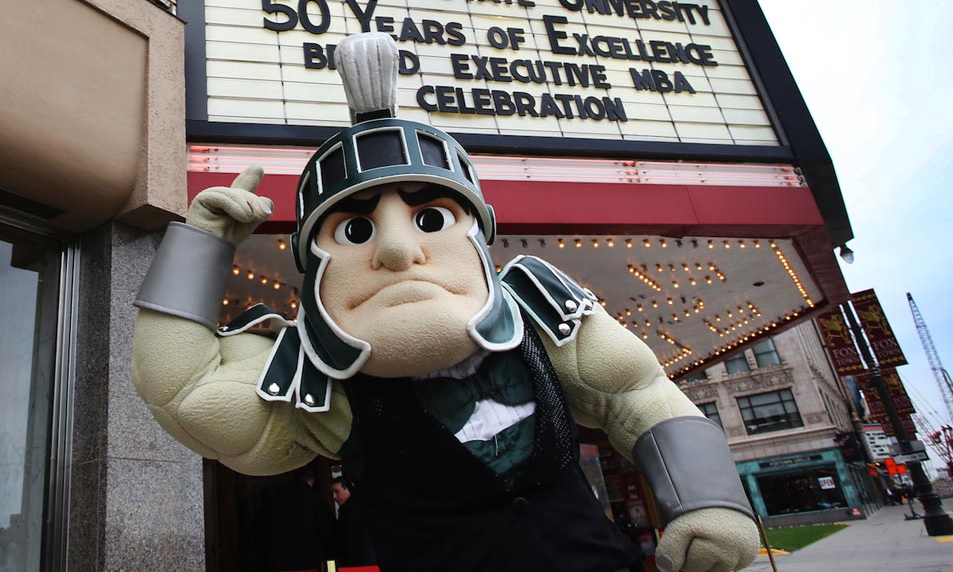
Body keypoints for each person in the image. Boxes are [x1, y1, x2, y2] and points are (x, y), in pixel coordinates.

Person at [133, 33, 759, 572]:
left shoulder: (543, 319)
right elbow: (186, 395)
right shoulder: (324, 385)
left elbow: (640, 396)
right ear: (315, 262)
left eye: (430, 216)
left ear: (477, 232)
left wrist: (707, 500)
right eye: (354, 230)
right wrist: (200, 247)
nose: (400, 251)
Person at [329, 478, 375, 568]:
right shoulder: (347, 509)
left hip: (360, 564)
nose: (334, 496)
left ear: (347, 489)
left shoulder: (355, 510)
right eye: (332, 492)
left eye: (337, 491)